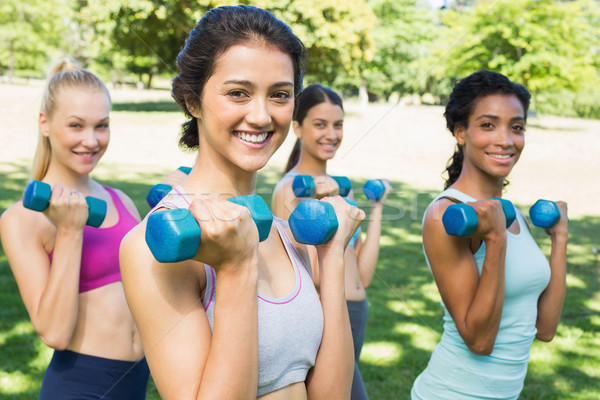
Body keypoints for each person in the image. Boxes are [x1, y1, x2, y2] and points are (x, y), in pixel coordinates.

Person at [119, 5, 363, 399]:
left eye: (280, 95)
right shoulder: (153, 245)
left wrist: (332, 256)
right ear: (193, 100)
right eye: (238, 93)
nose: (262, 115)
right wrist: (234, 269)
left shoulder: (283, 231)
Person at [410, 70, 568, 399]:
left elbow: (546, 329)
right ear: (460, 132)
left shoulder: (509, 212)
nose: (506, 139)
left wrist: (560, 240)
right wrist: (496, 241)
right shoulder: (446, 215)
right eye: (488, 124)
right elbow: (479, 341)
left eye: (517, 126)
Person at [0, 58, 149, 399]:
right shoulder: (22, 219)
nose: (91, 140)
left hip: (136, 381)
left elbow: (156, 287)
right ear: (45, 123)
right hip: (81, 386)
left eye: (101, 125)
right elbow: (53, 333)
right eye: (76, 126)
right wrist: (69, 232)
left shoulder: (122, 200)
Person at [271, 84, 392, 400]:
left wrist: (376, 208)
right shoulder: (291, 190)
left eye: (338, 124)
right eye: (320, 124)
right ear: (297, 127)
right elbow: (303, 276)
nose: (332, 134)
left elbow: (363, 274)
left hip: (355, 310)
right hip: (328, 312)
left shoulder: (341, 189)